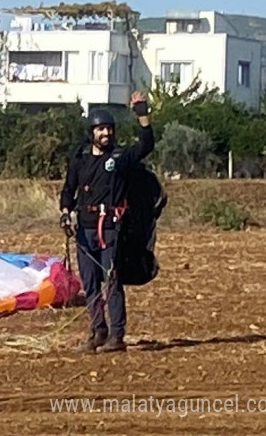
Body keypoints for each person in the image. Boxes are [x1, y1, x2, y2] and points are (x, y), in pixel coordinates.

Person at [59, 92, 155, 353]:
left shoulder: (120, 158)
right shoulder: (80, 158)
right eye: (101, 129)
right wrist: (65, 212)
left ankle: (117, 336)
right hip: (84, 229)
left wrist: (142, 114)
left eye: (109, 129)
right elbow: (68, 190)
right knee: (90, 283)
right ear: (92, 132)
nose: (106, 134)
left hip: (110, 228)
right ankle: (97, 331)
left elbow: (146, 145)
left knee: (111, 281)